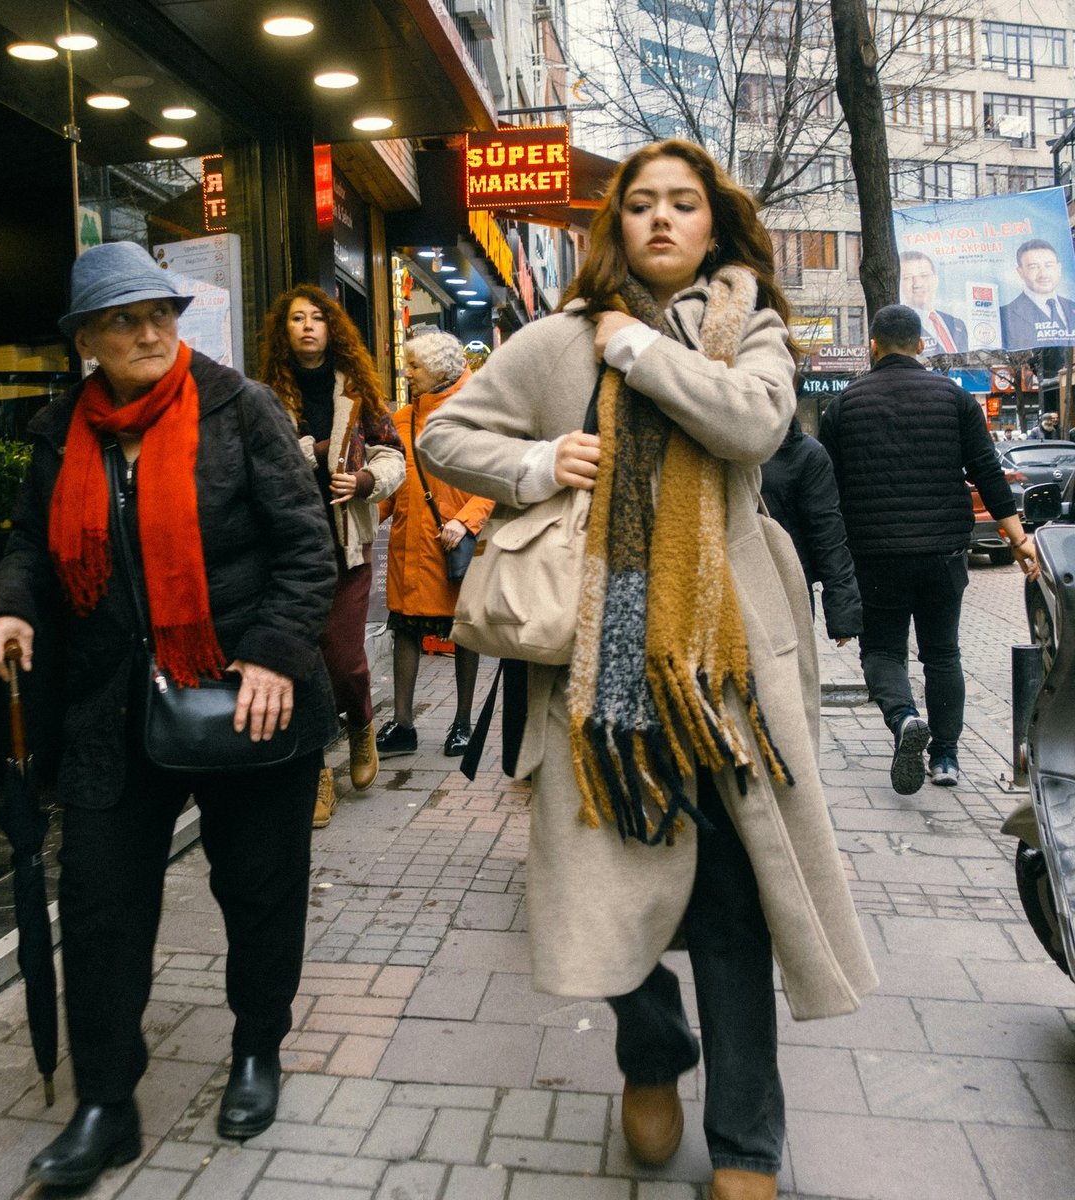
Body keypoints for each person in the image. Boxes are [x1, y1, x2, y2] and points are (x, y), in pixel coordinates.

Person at [418, 139, 876, 1200]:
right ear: (613, 225)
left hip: (723, 663)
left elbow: (752, 422)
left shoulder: (749, 327)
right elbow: (445, 433)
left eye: (683, 205)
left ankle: (750, 1144)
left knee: (730, 903)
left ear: (714, 223)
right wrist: (534, 464)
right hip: (600, 656)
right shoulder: (553, 341)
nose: (661, 220)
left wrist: (634, 350)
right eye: (641, 206)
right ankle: (651, 1049)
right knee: (607, 884)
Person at [0, 241, 337, 1191]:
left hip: (242, 697)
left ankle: (258, 1049)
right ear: (86, 338)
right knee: (97, 909)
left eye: (160, 314)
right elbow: (28, 541)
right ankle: (106, 1101)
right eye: (125, 319)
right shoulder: (64, 428)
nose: (148, 332)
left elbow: (309, 548)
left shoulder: (240, 408)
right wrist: (9, 604)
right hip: (110, 704)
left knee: (258, 892)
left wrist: (273, 653)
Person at [821, 304, 1040, 792]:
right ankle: (945, 758)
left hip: (874, 555)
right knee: (942, 654)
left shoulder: (845, 405)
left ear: (871, 346)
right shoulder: (953, 399)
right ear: (921, 345)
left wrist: (830, 569)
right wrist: (1017, 539)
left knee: (883, 650)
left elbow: (827, 495)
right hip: (942, 553)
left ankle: (903, 720)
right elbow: (987, 470)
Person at [260, 285, 405, 827]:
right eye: (296, 318)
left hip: (348, 546)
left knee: (343, 658)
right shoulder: (267, 397)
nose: (307, 326)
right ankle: (318, 770)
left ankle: (361, 723)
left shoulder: (359, 391)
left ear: (331, 327)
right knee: (305, 664)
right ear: (285, 330)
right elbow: (263, 461)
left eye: (317, 318)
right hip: (291, 550)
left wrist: (367, 477)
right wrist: (317, 452)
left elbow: (394, 454)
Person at [376, 329, 495, 758]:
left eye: (415, 367)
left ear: (441, 369)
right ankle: (403, 723)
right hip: (409, 544)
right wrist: (362, 518)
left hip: (453, 545)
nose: (407, 374)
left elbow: (492, 479)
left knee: (461, 632)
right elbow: (391, 482)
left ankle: (462, 724)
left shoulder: (474, 414)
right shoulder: (401, 418)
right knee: (405, 628)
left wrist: (466, 522)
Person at [759, 413, 862, 643]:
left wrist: (843, 612)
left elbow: (827, 532)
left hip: (788, 587)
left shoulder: (806, 453)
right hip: (726, 587)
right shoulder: (716, 445)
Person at [1001, 239, 1075, 349]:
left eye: (1048, 265)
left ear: (1059, 268)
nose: (1043, 274)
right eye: (1033, 267)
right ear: (1020, 272)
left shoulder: (1072, 306)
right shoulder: (1005, 315)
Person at [898, 250, 968, 354]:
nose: (918, 284)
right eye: (907, 278)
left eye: (924, 275)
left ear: (936, 279)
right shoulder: (899, 328)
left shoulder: (958, 325)